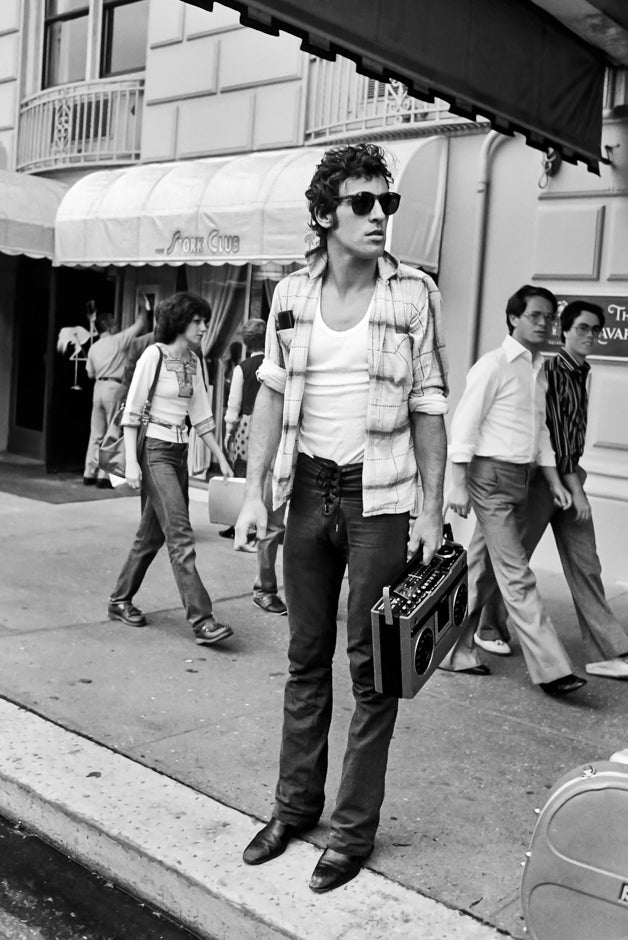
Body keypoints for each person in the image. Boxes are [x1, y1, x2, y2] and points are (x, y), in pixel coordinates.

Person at [235, 143, 448, 892]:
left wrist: (431, 508)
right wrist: (257, 487)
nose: (379, 217)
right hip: (308, 494)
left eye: (386, 203)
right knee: (303, 658)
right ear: (325, 214)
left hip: (379, 498)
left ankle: (352, 833)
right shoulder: (290, 294)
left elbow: (429, 405)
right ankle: (294, 809)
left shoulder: (414, 295)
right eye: (363, 203)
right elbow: (268, 390)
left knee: (373, 670)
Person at [441, 285, 587, 697]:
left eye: (549, 317)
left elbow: (540, 433)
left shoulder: (537, 370)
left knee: (481, 571)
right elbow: (464, 426)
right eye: (536, 316)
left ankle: (453, 649)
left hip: (520, 479)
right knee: (516, 573)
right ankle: (552, 669)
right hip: (490, 479)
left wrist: (556, 483)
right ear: (513, 319)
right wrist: (458, 483)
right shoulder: (494, 365)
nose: (545, 323)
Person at [475, 301, 628, 680]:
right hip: (546, 480)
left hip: (567, 475)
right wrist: (572, 487)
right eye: (582, 329)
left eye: (596, 330)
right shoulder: (553, 371)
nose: (590, 336)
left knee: (586, 565)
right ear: (566, 331)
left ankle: (605, 651)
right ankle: (487, 627)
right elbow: (555, 437)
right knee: (512, 561)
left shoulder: (581, 372)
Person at [108, 293, 235, 646]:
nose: (205, 327)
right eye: (199, 321)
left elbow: (202, 414)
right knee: (180, 534)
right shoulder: (154, 354)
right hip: (155, 451)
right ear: (181, 321)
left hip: (179, 451)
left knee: (151, 535)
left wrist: (220, 458)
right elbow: (132, 412)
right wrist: (133, 464)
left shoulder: (193, 361)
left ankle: (120, 599)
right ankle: (202, 619)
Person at [223, 318, 287, 615]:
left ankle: (246, 520)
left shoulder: (242, 369)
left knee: (251, 483)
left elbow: (234, 406)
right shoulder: (278, 366)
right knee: (271, 509)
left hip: (250, 428)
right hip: (276, 433)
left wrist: (228, 430)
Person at [83, 298, 148, 488]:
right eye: (114, 322)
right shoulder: (118, 341)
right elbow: (140, 324)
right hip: (114, 387)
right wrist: (144, 306)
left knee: (95, 433)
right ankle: (104, 476)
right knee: (111, 432)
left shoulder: (94, 347)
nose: (118, 325)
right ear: (110, 327)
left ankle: (89, 472)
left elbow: (89, 373)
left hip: (98, 387)